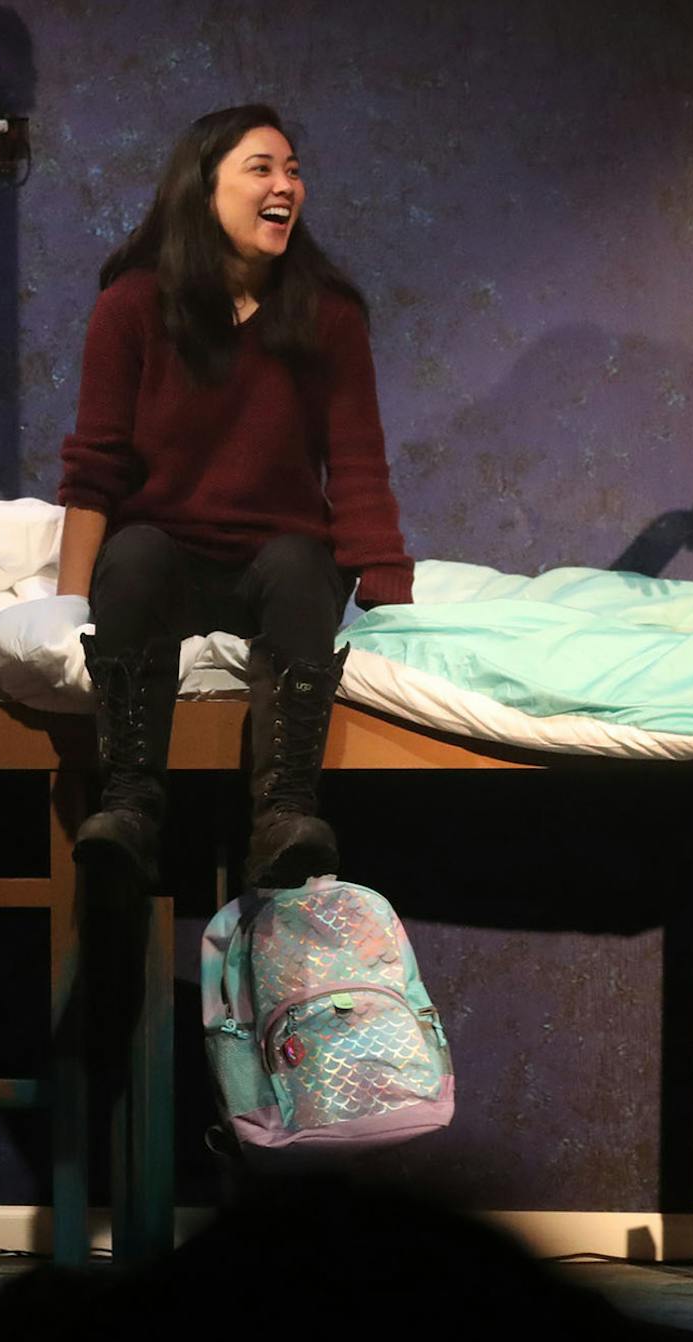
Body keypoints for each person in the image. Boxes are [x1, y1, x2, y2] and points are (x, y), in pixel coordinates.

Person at [48, 103, 413, 895]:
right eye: (262, 168)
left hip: (275, 567)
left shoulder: (328, 314)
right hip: (169, 560)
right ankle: (130, 807)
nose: (285, 185)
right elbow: (96, 467)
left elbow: (356, 459)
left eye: (294, 170)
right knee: (136, 554)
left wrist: (384, 579)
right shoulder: (134, 305)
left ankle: (285, 813)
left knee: (296, 563)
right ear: (202, 187)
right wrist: (68, 600)